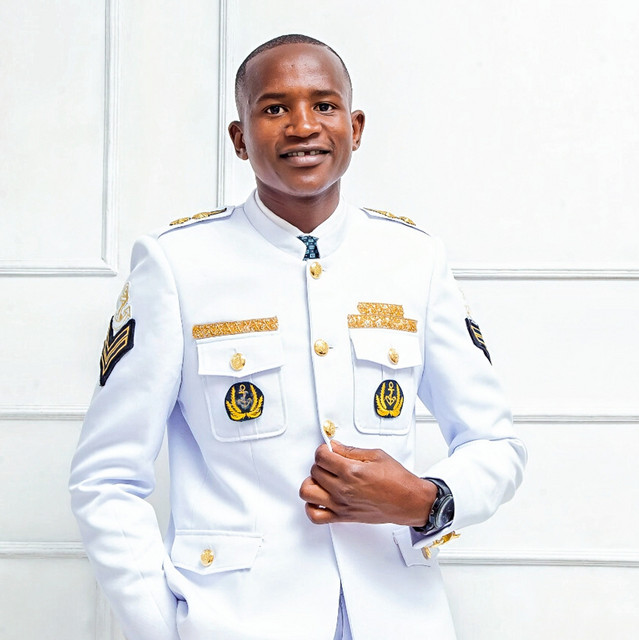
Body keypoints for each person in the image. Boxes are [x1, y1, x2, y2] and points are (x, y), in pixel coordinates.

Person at [69, 34, 526, 640]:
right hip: (239, 623)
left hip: (399, 618)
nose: (303, 126)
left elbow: (495, 444)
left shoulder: (413, 259)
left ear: (355, 128)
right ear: (240, 138)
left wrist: (426, 499)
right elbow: (106, 479)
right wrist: (164, 630)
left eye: (324, 105)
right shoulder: (177, 265)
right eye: (275, 108)